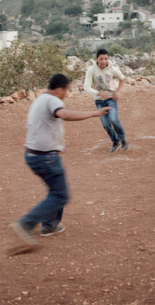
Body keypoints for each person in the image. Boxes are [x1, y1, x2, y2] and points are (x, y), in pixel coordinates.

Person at [10, 74, 111, 253]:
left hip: (33, 155)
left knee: (56, 191)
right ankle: (25, 224)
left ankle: (49, 225)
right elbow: (63, 115)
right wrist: (95, 113)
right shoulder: (51, 100)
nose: (66, 94)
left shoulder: (41, 99)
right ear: (59, 89)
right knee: (60, 195)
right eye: (66, 90)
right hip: (45, 158)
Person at [84, 48, 129, 152]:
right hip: (99, 101)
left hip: (111, 99)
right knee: (105, 124)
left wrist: (118, 91)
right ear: (96, 59)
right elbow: (86, 87)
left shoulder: (112, 68)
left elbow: (122, 78)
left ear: (108, 59)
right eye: (101, 59)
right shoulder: (92, 70)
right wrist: (99, 93)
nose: (103, 61)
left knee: (113, 120)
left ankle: (123, 139)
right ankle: (115, 141)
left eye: (106, 59)